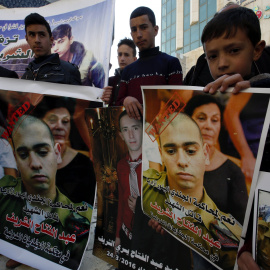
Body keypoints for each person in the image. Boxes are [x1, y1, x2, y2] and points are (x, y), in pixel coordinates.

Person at [143, 113, 242, 270]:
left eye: (190, 151)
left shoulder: (226, 233)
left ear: (205, 154)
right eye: (171, 151)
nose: (182, 161)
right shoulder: (147, 189)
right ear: (161, 154)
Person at [0, 116, 92, 269]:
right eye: (23, 155)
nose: (35, 164)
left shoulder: (83, 221)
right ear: (15, 159)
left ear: (57, 153)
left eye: (42, 152)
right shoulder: (3, 193)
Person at [184, 94, 248, 224]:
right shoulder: (175, 160)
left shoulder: (233, 171)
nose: (209, 126)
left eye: (215, 120)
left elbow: (241, 225)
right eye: (201, 118)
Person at [115, 6, 183, 120]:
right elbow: (117, 104)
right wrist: (126, 100)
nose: (139, 34)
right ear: (131, 34)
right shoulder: (127, 71)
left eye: (144, 27)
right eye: (134, 30)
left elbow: (178, 103)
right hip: (133, 134)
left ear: (155, 30)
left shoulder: (171, 63)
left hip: (163, 132)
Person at [33, 96, 96, 206]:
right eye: (52, 120)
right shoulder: (26, 160)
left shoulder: (85, 166)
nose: (60, 126)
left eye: (65, 121)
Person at [115, 110, 143, 269]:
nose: (131, 135)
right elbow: (120, 201)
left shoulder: (155, 164)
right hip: (126, 233)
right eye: (125, 130)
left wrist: (140, 206)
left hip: (148, 236)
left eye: (135, 128)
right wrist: (118, 235)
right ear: (121, 135)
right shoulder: (120, 165)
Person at [21, 13, 81, 85]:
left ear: (51, 40)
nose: (37, 40)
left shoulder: (68, 71)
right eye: (32, 35)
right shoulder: (27, 75)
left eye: (42, 35)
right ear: (27, 39)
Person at [102, 38, 137, 106]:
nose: (122, 59)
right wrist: (104, 98)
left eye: (126, 55)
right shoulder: (109, 81)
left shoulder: (138, 81)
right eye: (120, 54)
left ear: (135, 59)